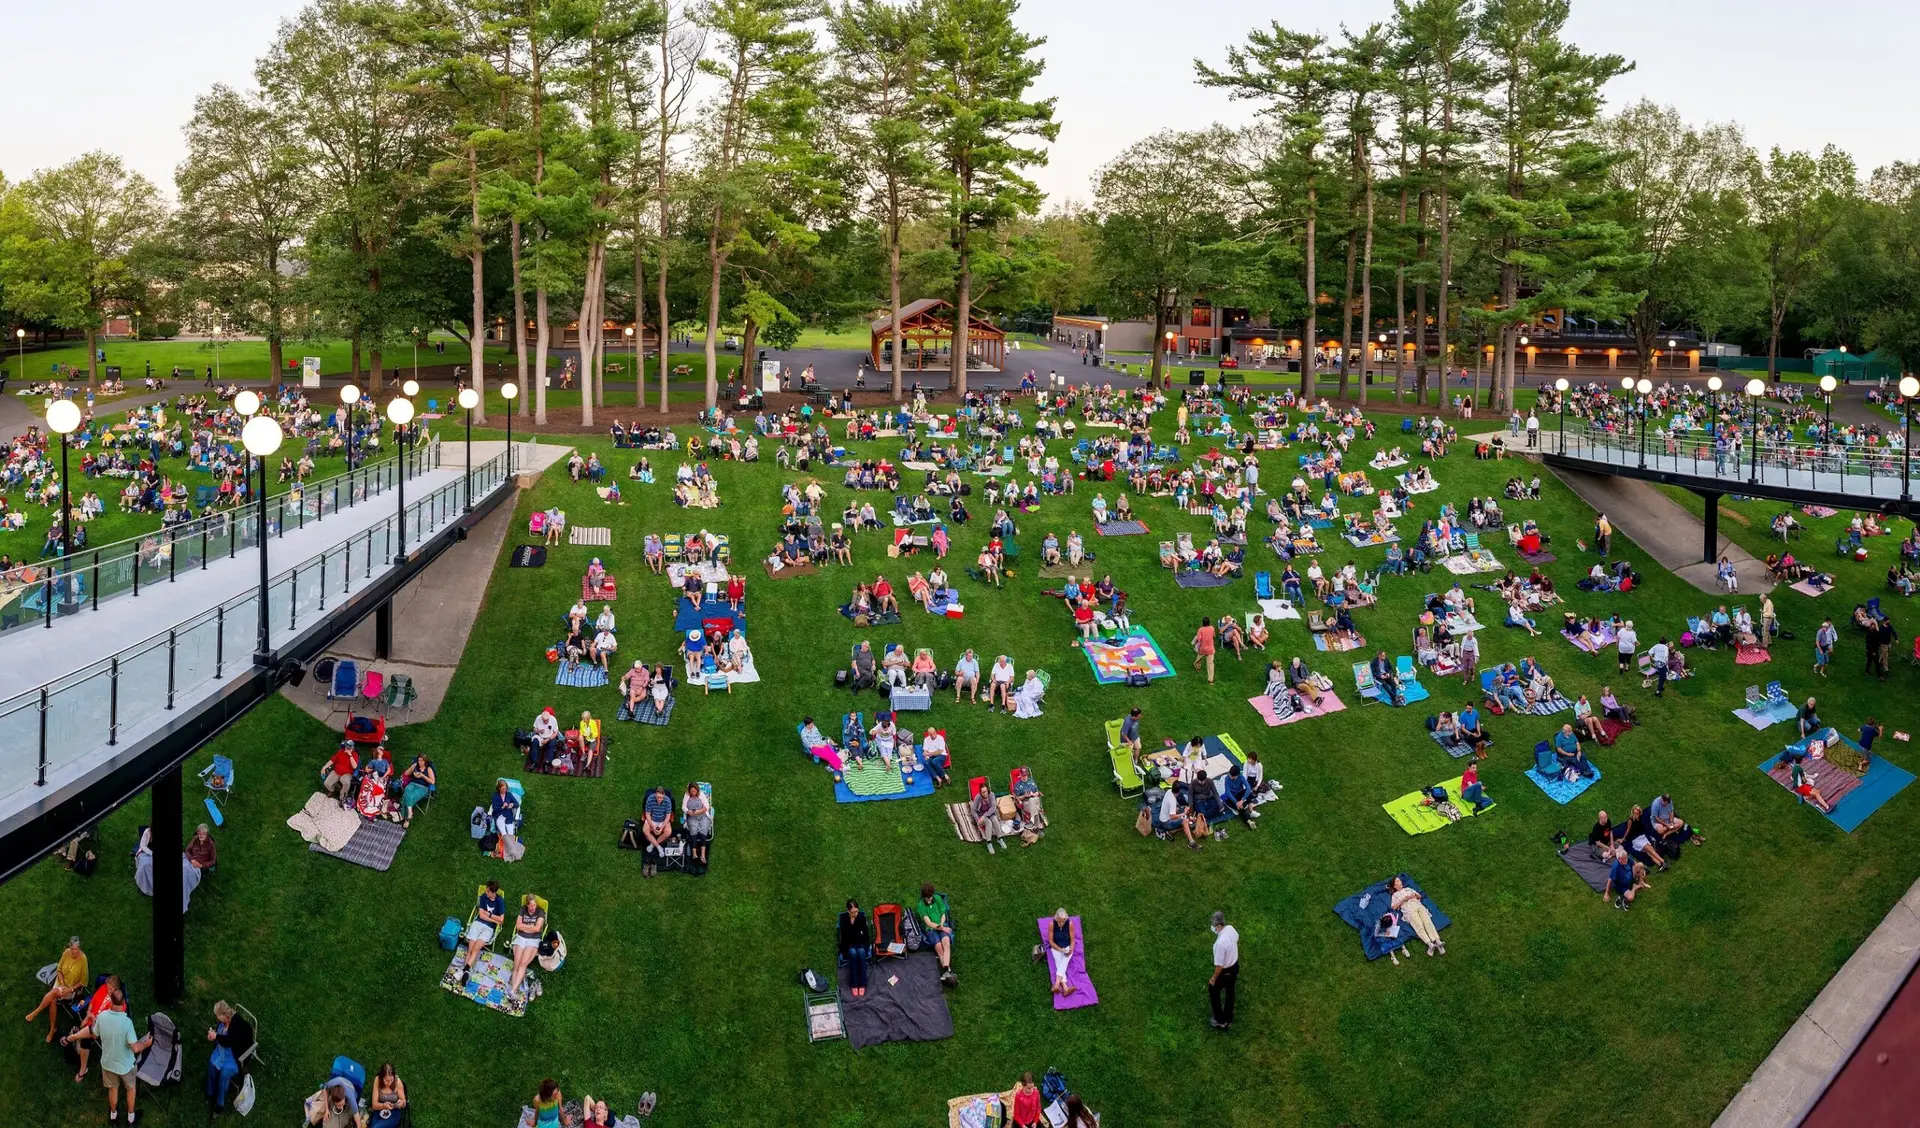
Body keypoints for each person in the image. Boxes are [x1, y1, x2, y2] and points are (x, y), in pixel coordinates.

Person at [69, 983, 150, 1124]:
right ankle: (131, 1118)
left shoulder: (102, 1017)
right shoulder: (127, 1023)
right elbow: (135, 1048)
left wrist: (93, 1021)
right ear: (124, 1002)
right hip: (125, 1065)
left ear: (111, 1001)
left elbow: (94, 1035)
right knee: (130, 1089)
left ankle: (113, 1116)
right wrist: (146, 1044)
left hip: (107, 1063)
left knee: (113, 1089)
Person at [25, 935, 88, 1042]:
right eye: (72, 949)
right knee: (53, 999)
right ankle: (52, 1029)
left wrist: (69, 989)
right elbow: (59, 970)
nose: (74, 952)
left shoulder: (83, 959)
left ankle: (37, 1011)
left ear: (79, 948)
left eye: (76, 949)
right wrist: (62, 984)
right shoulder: (66, 953)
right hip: (60, 983)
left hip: (72, 990)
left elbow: (83, 982)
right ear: (69, 947)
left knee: (54, 993)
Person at [204, 999, 254, 1113]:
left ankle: (219, 1104)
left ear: (224, 1015)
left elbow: (230, 1041)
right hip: (223, 1050)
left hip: (235, 1054)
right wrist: (213, 1036)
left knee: (224, 1073)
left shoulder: (236, 1024)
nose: (217, 1018)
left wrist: (216, 1036)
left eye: (218, 1016)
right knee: (212, 1063)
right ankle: (210, 1092)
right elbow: (220, 1034)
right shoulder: (224, 1021)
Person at [1388, 875, 1446, 955]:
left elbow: (1420, 896)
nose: (1400, 881)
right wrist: (1403, 899)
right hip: (1409, 910)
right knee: (1419, 926)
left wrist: (1414, 896)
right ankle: (1430, 944)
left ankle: (1438, 941)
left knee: (1428, 922)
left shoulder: (1408, 889)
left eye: (1399, 880)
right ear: (1394, 886)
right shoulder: (1395, 895)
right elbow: (1394, 907)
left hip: (1418, 906)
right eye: (1397, 881)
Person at [463, 879, 508, 973]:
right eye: (486, 890)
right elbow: (481, 915)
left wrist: (489, 914)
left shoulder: (500, 901)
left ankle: (466, 969)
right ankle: (465, 970)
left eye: (488, 891)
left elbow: (501, 920)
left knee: (476, 949)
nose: (486, 892)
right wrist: (494, 920)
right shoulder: (483, 897)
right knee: (470, 948)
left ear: (494, 892)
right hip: (478, 923)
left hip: (489, 928)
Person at [507, 893, 547, 998]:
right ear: (527, 905)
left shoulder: (540, 911)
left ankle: (513, 990)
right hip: (520, 938)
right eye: (531, 905)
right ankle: (513, 991)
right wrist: (530, 926)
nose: (533, 908)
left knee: (523, 964)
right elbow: (518, 926)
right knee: (516, 964)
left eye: (534, 905)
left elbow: (537, 929)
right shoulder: (523, 909)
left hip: (533, 940)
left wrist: (525, 927)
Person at [916, 884, 957, 986]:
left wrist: (942, 924)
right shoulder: (921, 906)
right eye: (927, 898)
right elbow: (928, 923)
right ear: (923, 896)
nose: (929, 900)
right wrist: (943, 928)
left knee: (946, 943)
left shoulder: (938, 898)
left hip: (942, 924)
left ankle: (946, 972)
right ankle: (949, 972)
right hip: (931, 929)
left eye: (930, 898)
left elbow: (943, 914)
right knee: (939, 948)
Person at [1209, 910, 1239, 1031]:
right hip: (1235, 966)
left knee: (1213, 991)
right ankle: (1229, 1018)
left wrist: (1213, 978)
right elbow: (1236, 938)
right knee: (1230, 991)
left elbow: (1219, 966)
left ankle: (1220, 1020)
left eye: (1214, 926)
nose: (1213, 928)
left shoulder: (1220, 943)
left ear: (1219, 926)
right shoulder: (1231, 929)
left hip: (1225, 971)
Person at [838, 899, 873, 998]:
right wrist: (858, 933)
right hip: (848, 945)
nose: (855, 914)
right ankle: (854, 983)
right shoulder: (844, 919)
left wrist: (856, 934)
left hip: (861, 944)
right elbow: (845, 937)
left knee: (861, 952)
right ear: (848, 911)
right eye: (853, 912)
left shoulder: (861, 917)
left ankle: (862, 983)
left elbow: (865, 935)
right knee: (853, 953)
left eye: (856, 911)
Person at [641, 785, 673, 877]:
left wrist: (662, 827)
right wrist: (652, 826)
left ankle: (652, 844)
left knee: (668, 832)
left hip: (663, 821)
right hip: (652, 820)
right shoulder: (650, 799)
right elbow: (647, 814)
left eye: (661, 797)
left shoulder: (667, 801)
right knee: (645, 830)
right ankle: (659, 847)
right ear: (655, 794)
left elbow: (667, 816)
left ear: (664, 795)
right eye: (658, 797)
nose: (659, 799)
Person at [1046, 908, 1077, 996]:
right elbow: (1051, 942)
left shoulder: (1069, 923)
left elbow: (1073, 940)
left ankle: (1056, 985)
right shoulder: (1052, 924)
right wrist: (1060, 949)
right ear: (1056, 919)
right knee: (1060, 963)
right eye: (1060, 921)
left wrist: (1070, 949)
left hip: (1067, 947)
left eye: (1063, 921)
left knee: (1063, 962)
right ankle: (1065, 988)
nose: (1061, 923)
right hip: (1056, 948)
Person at [682, 781, 713, 866]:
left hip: (702, 816)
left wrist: (699, 811)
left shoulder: (701, 794)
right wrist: (688, 811)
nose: (693, 793)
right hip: (692, 816)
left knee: (703, 831)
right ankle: (694, 853)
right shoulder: (687, 795)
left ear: (697, 790)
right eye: (691, 791)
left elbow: (707, 806)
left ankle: (702, 855)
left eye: (694, 791)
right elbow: (683, 807)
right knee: (693, 830)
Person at [1192, 617, 1217, 682]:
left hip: (1203, 649)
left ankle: (1197, 666)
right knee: (1210, 664)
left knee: (1199, 658)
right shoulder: (1212, 628)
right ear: (1209, 622)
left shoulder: (1201, 630)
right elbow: (1214, 636)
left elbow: (1199, 639)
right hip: (1210, 649)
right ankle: (1210, 680)